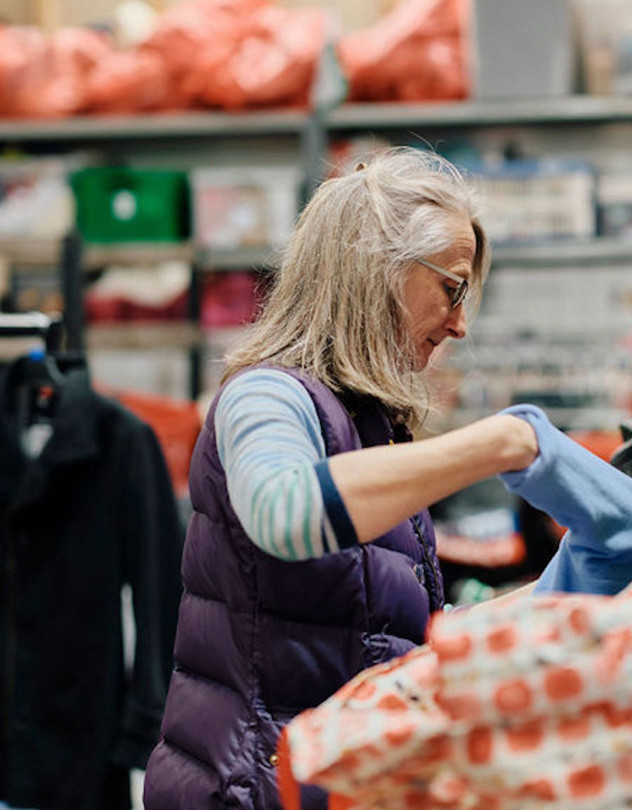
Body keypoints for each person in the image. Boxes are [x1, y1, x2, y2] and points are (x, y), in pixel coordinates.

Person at [144, 147, 539, 810]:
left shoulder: (370, 426)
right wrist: (499, 444)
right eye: (453, 288)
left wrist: (563, 600)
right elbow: (284, 512)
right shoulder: (266, 398)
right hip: (253, 790)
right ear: (378, 270)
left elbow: (394, 634)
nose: (461, 323)